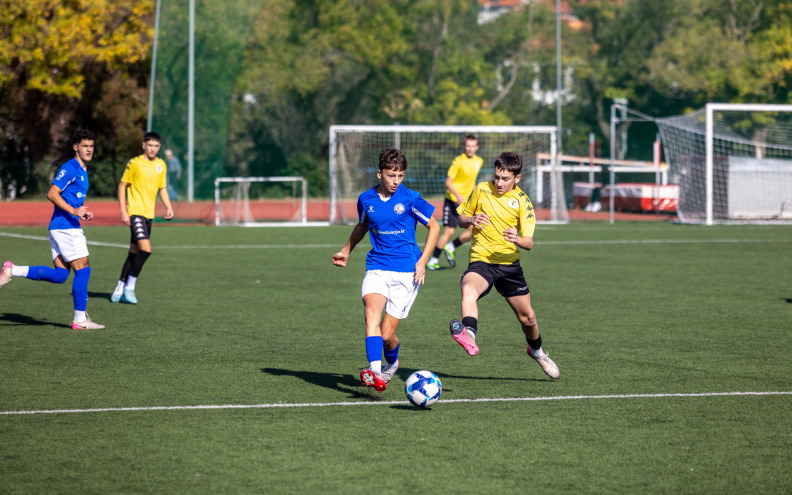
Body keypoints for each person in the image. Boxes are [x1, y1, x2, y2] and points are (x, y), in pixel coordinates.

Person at [332, 148, 440, 392]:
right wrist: (346, 250)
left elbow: (434, 227)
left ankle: (392, 362)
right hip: (377, 268)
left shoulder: (411, 198)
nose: (396, 181)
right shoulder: (366, 199)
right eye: (392, 175)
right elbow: (362, 226)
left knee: (387, 334)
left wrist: (422, 261)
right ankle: (375, 371)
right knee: (371, 312)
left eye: (400, 175)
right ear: (380, 173)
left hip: (406, 273)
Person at [449, 151, 559, 379]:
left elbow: (528, 243)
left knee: (528, 319)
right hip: (482, 261)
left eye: (505, 179)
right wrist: (470, 219)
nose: (498, 182)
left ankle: (537, 351)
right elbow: (461, 219)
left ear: (517, 178)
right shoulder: (481, 189)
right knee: (468, 288)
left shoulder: (523, 202)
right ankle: (469, 334)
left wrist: (515, 238)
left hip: (509, 266)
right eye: (497, 177)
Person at [0, 129, 105, 329]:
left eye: (91, 146)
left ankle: (12, 271)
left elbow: (68, 197)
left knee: (60, 275)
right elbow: (52, 193)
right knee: (83, 270)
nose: (89, 150)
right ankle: (80, 320)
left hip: (62, 226)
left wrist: (80, 212)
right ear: (76, 147)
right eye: (85, 146)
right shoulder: (71, 167)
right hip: (66, 228)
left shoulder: (82, 170)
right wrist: (75, 211)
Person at [110, 132, 174, 304]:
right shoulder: (134, 163)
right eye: (150, 145)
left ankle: (119, 287)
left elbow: (162, 188)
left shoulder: (161, 165)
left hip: (148, 215)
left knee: (134, 252)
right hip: (135, 212)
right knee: (146, 250)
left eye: (156, 146)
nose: (153, 149)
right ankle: (129, 288)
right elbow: (122, 186)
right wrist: (124, 211)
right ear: (143, 145)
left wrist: (168, 207)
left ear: (159, 147)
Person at [427, 134, 483, 270]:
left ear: (477, 147)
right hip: (452, 200)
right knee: (449, 232)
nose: (470, 148)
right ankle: (432, 261)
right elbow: (448, 182)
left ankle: (451, 247)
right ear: (464, 146)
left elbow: (472, 182)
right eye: (467, 146)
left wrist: (476, 196)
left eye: (472, 146)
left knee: (475, 228)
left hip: (467, 202)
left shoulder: (479, 161)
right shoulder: (458, 161)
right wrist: (458, 196)